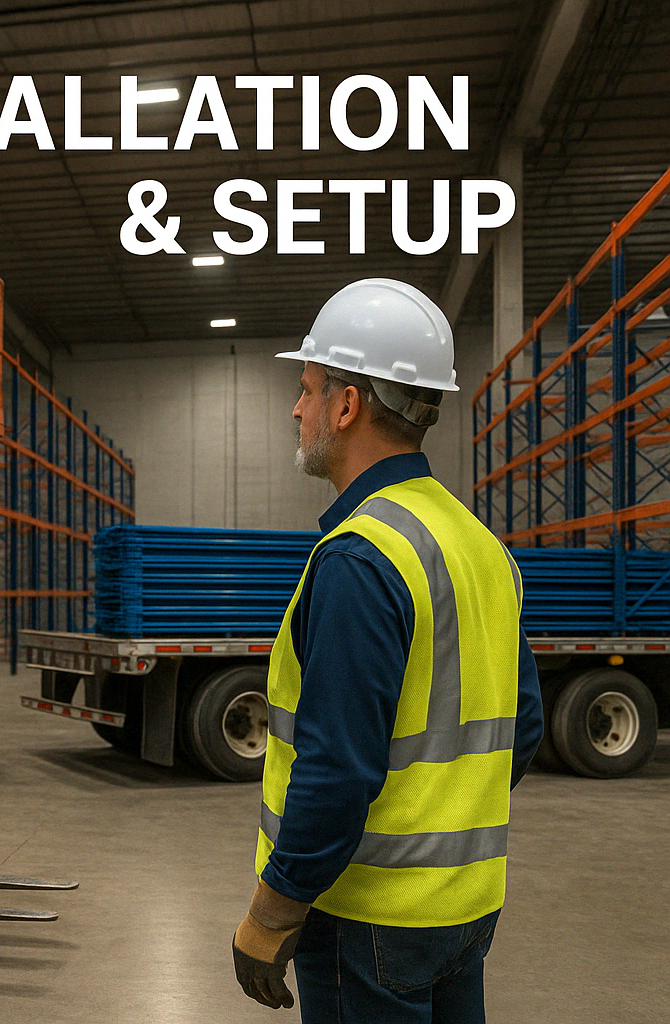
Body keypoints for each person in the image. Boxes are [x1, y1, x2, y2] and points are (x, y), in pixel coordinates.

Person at [230, 279, 544, 1022]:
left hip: (366, 919)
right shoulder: (479, 544)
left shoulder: (361, 556)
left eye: (307, 389)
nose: (297, 409)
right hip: (467, 910)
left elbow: (336, 771)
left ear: (347, 405)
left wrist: (270, 917)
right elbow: (520, 731)